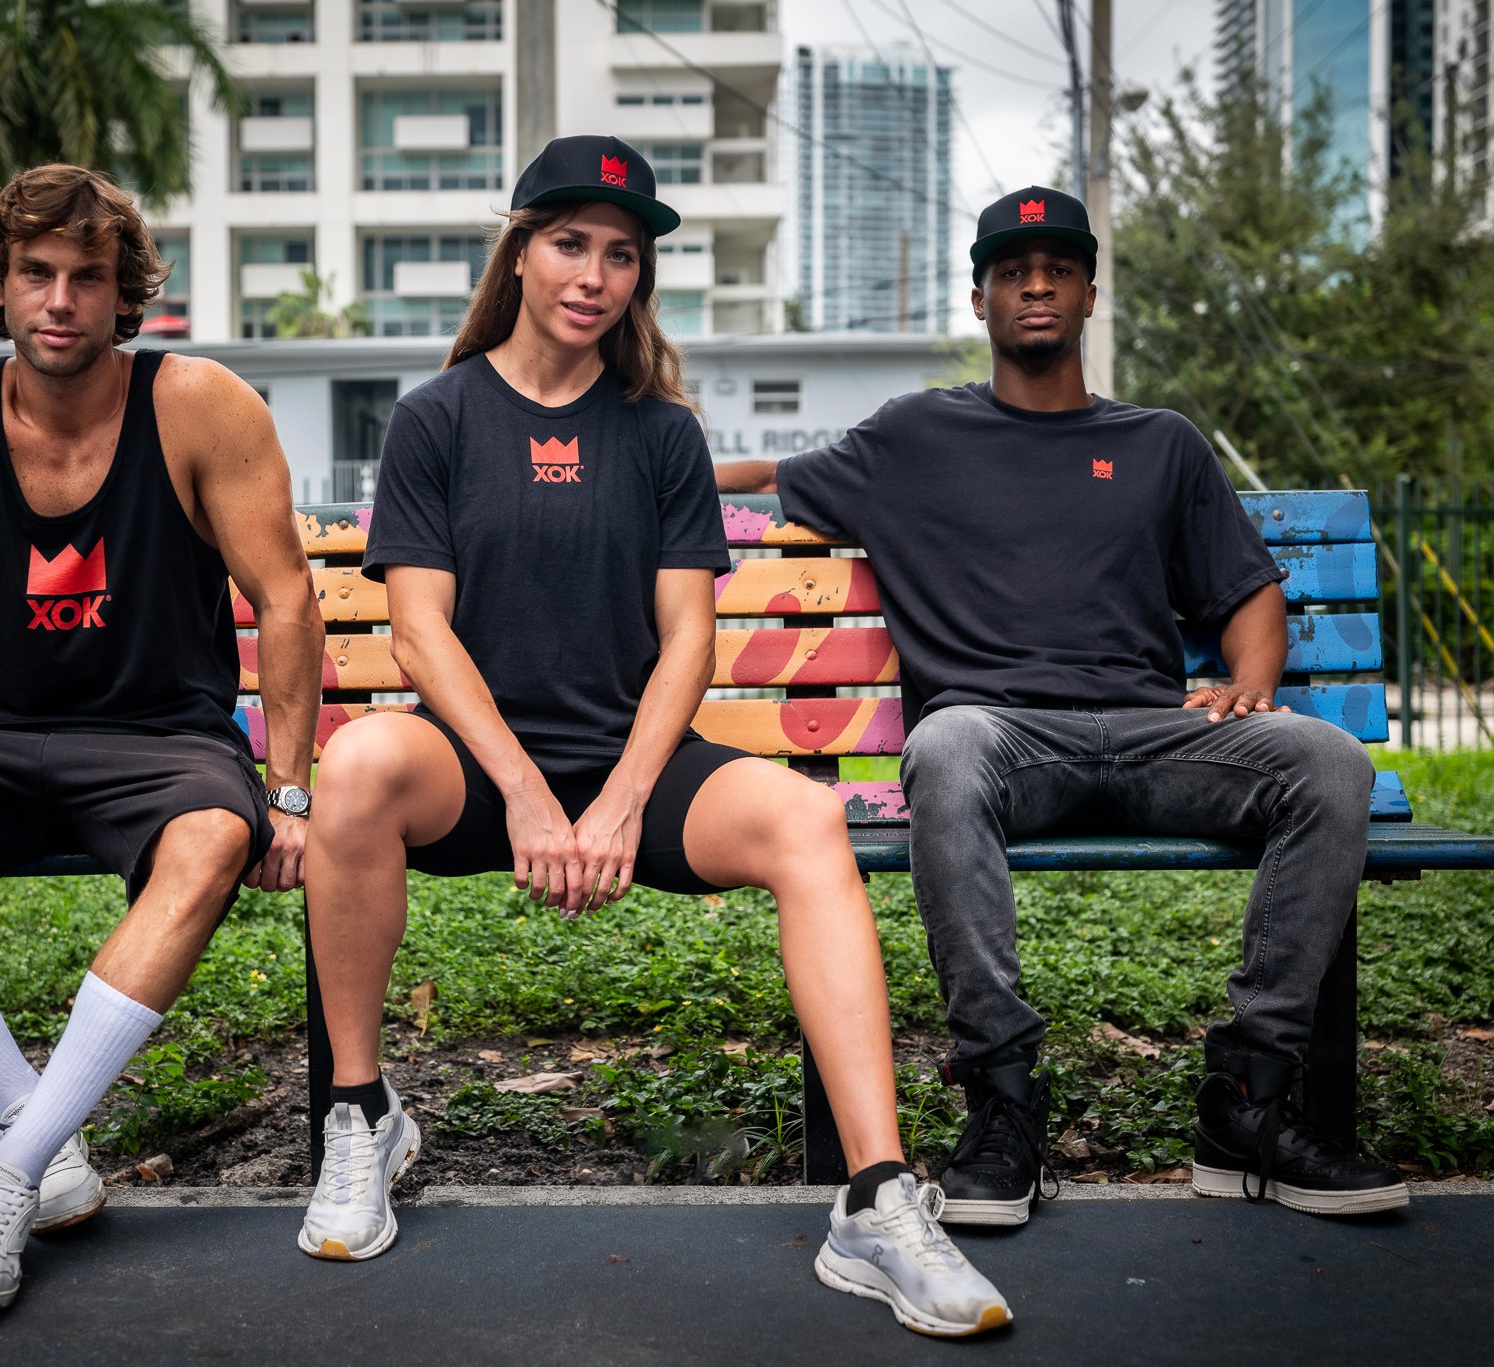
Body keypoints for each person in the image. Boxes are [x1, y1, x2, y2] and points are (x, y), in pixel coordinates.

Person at [295, 135, 1010, 1339]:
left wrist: (621, 799)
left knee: (799, 818)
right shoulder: (437, 418)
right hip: (476, 761)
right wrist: (523, 792)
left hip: (636, 759)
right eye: (569, 243)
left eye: (619, 255)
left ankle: (878, 1198)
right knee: (358, 761)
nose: (593, 274)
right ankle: (363, 1114)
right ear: (518, 252)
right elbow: (416, 631)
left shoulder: (660, 431)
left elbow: (687, 642)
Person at [717, 186, 1407, 1226]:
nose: (1033, 285)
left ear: (1088, 293)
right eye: (1009, 272)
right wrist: (616, 469)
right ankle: (1003, 1101)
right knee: (944, 746)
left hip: (1151, 733)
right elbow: (765, 474)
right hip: (1001, 740)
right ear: (980, 297)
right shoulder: (912, 435)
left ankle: (1246, 1101)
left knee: (1326, 762)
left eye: (1055, 270)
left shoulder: (1158, 443)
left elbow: (1247, 589)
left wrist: (1251, 681)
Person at [0, 164, 323, 1309]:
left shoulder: (199, 404)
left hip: (161, 734)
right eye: (34, 273)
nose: (59, 300)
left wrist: (285, 793)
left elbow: (285, 596)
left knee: (206, 841)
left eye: (88, 278)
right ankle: (38, 1134)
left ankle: (4, 1177)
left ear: (123, 297)